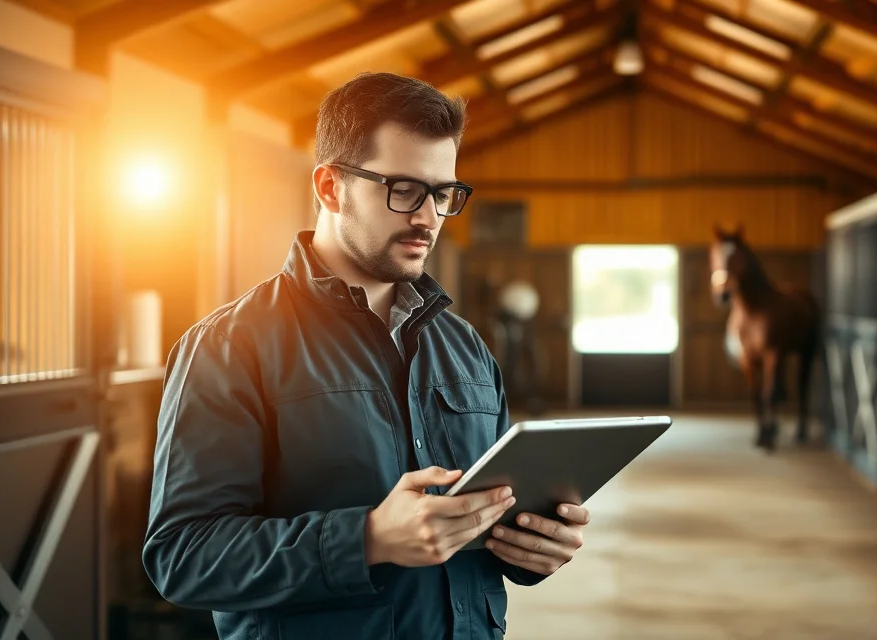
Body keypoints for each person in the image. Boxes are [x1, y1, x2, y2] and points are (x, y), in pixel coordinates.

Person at [142, 72, 590, 640]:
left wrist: (530, 546)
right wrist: (368, 539)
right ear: (331, 188)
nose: (428, 217)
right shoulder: (230, 347)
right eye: (404, 189)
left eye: (443, 194)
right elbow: (181, 557)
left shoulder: (466, 348)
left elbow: (484, 524)